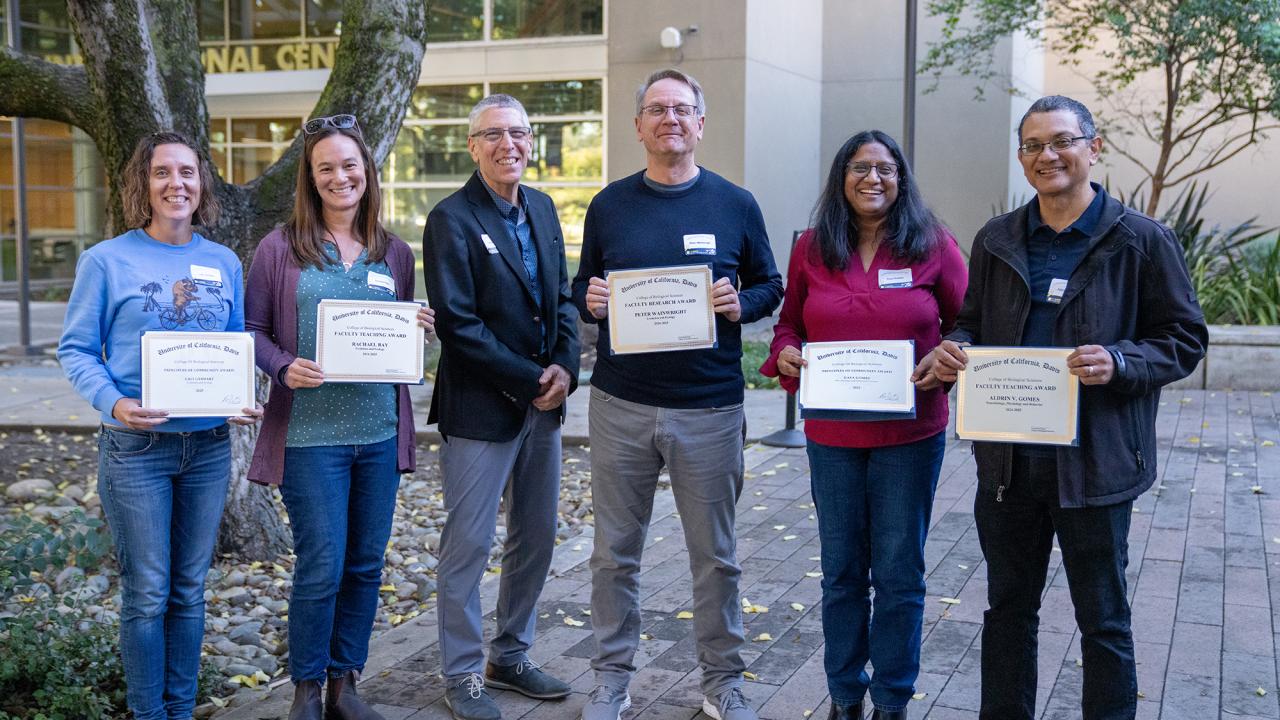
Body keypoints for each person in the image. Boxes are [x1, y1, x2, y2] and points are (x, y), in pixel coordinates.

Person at [920, 95, 1208, 720]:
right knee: (1007, 613)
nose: (1047, 155)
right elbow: (972, 324)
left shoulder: (1141, 240)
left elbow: (1184, 340)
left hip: (1097, 465)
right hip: (1009, 466)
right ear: (1022, 158)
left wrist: (1122, 362)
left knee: (1102, 619)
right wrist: (956, 352)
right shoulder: (997, 238)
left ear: (1092, 147)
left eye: (1062, 141)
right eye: (1032, 145)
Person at [572, 68, 784, 720]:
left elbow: (770, 286)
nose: (670, 119)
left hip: (711, 408)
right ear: (638, 125)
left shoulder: (735, 204)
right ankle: (612, 681)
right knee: (613, 556)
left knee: (716, 560)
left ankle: (723, 683)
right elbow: (582, 288)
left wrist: (737, 302)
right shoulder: (609, 205)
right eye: (657, 109)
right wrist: (592, 298)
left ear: (700, 123)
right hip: (621, 405)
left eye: (682, 109)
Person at [760, 130, 967, 720]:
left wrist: (949, 355)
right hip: (833, 439)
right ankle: (846, 695)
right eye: (859, 168)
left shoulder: (933, 245)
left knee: (900, 573)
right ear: (840, 178)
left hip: (910, 437)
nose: (872, 178)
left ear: (901, 179)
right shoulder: (811, 249)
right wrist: (788, 353)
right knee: (842, 573)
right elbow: (787, 326)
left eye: (884, 168)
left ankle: (893, 699)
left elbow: (966, 324)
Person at [58, 131, 261, 720]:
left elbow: (232, 344)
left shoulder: (223, 262)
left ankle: (179, 709)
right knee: (147, 595)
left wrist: (237, 394)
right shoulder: (107, 260)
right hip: (135, 450)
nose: (177, 184)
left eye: (188, 173)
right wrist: (114, 403)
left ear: (203, 185)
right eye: (163, 173)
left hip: (207, 447)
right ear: (142, 185)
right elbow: (76, 350)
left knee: (189, 591)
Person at [244, 114, 434, 720]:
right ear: (311, 176)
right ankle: (305, 686)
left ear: (367, 173)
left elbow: (397, 342)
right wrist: (282, 367)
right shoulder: (281, 248)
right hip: (309, 437)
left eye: (349, 165)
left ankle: (344, 683)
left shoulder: (393, 253)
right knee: (321, 560)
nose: (339, 176)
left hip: (378, 434)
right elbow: (252, 332)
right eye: (325, 167)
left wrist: (416, 330)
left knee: (365, 562)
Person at [422, 93, 580, 720]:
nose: (506, 144)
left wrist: (566, 368)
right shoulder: (451, 218)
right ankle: (461, 673)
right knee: (467, 544)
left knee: (535, 535)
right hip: (482, 408)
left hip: (544, 404)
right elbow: (457, 324)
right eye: (492, 134)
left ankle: (509, 654)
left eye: (517, 133)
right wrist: (530, 377)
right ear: (472, 146)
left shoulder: (541, 207)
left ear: (530, 140)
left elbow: (564, 300)